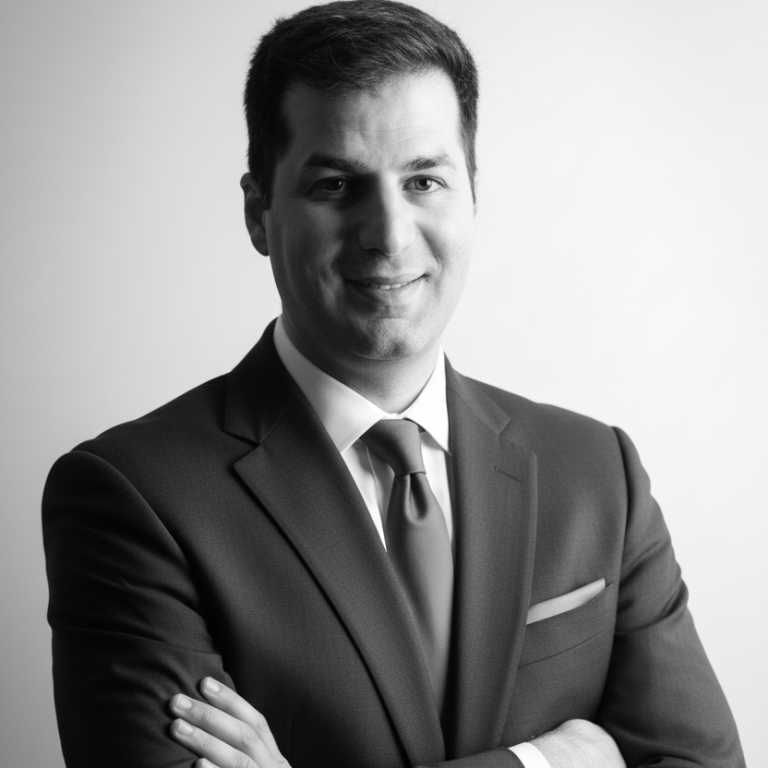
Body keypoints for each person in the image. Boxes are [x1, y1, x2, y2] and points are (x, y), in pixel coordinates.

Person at [42, 2, 744, 767]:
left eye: (424, 181)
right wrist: (550, 760)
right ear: (258, 213)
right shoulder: (133, 494)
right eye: (337, 185)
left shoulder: (598, 472)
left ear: (473, 195)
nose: (388, 234)